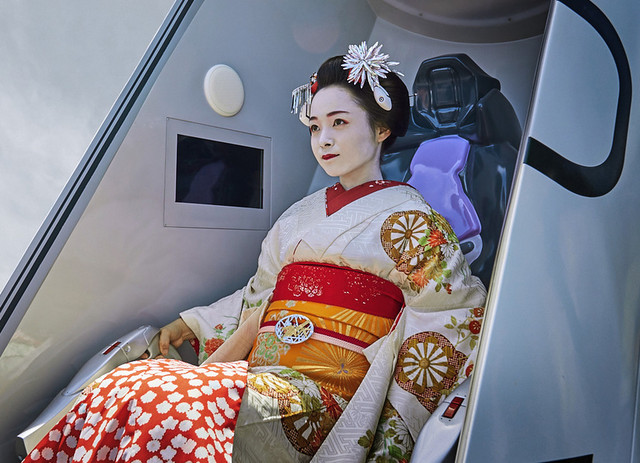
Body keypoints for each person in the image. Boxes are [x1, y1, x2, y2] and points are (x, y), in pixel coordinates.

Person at [25, 42, 486, 463]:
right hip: (264, 376)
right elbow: (259, 295)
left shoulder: (412, 218)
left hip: (321, 397)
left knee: (159, 400)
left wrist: (394, 421)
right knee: (119, 384)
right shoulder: (299, 216)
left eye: (339, 123)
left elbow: (450, 313)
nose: (323, 139)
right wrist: (197, 321)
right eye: (314, 127)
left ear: (382, 127)